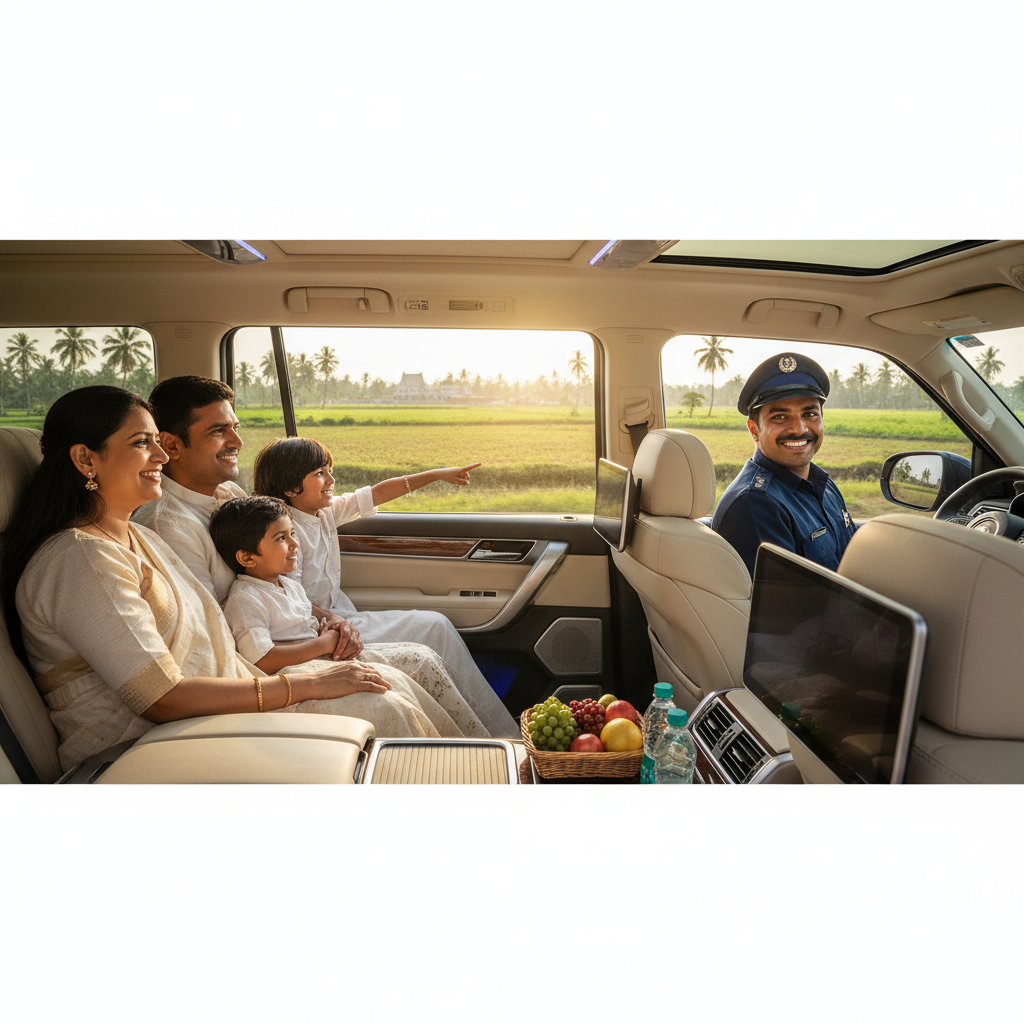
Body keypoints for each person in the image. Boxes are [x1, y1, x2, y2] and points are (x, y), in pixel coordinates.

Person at [2, 387, 466, 773]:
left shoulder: (136, 537)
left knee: (388, 682)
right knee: (383, 702)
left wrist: (318, 642)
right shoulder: (80, 560)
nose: (163, 454)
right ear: (86, 459)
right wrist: (307, 684)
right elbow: (161, 698)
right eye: (143, 442)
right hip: (146, 744)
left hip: (213, 702)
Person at [134, 375, 517, 737]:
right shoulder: (169, 527)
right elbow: (213, 639)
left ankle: (496, 745)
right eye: (219, 431)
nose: (236, 440)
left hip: (300, 633)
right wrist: (315, 660)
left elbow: (277, 586)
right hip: (267, 663)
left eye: (235, 427)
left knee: (420, 657)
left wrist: (329, 619)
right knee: (404, 672)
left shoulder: (230, 496)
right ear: (171, 445)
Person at [252, 436, 518, 737]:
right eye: (319, 474)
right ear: (290, 489)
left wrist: (438, 474)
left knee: (436, 627)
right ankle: (497, 736)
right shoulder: (285, 534)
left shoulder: (324, 512)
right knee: (436, 627)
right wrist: (337, 622)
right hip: (323, 627)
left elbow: (378, 492)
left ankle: (495, 732)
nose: (331, 479)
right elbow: (290, 601)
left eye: (329, 469)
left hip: (341, 616)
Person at [210, 494, 487, 735]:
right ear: (247, 558)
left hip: (327, 656)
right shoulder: (245, 599)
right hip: (305, 670)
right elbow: (262, 659)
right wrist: (325, 643)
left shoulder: (288, 585)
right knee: (397, 687)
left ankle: (472, 740)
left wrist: (335, 627)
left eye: (293, 533)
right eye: (281, 538)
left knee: (423, 658)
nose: (295, 544)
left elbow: (309, 621)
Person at [711, 352, 857, 576]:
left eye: (809, 414)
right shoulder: (755, 504)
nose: (799, 429)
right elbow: (789, 608)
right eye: (780, 417)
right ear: (754, 430)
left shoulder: (824, 485)